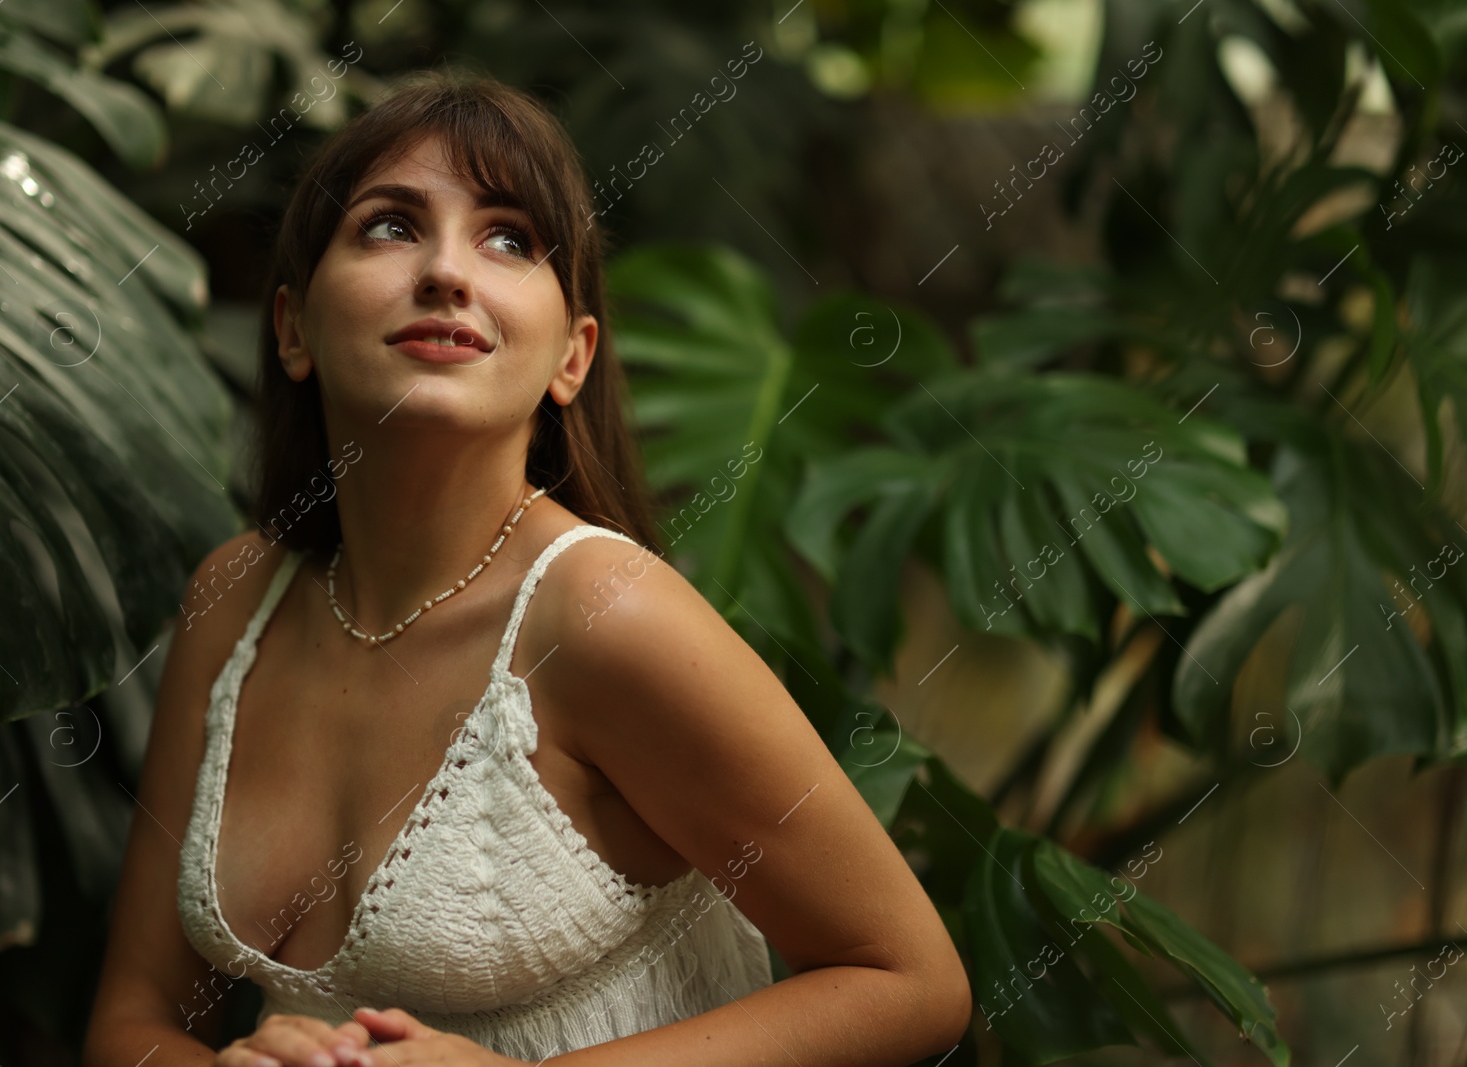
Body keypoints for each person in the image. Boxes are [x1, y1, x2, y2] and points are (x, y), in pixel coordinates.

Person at [83, 67, 969, 1067]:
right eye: (387, 225)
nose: (448, 272)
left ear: (572, 358)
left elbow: (909, 979)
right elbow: (136, 1016)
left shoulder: (604, 615)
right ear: (291, 328)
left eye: (508, 237)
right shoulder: (233, 601)